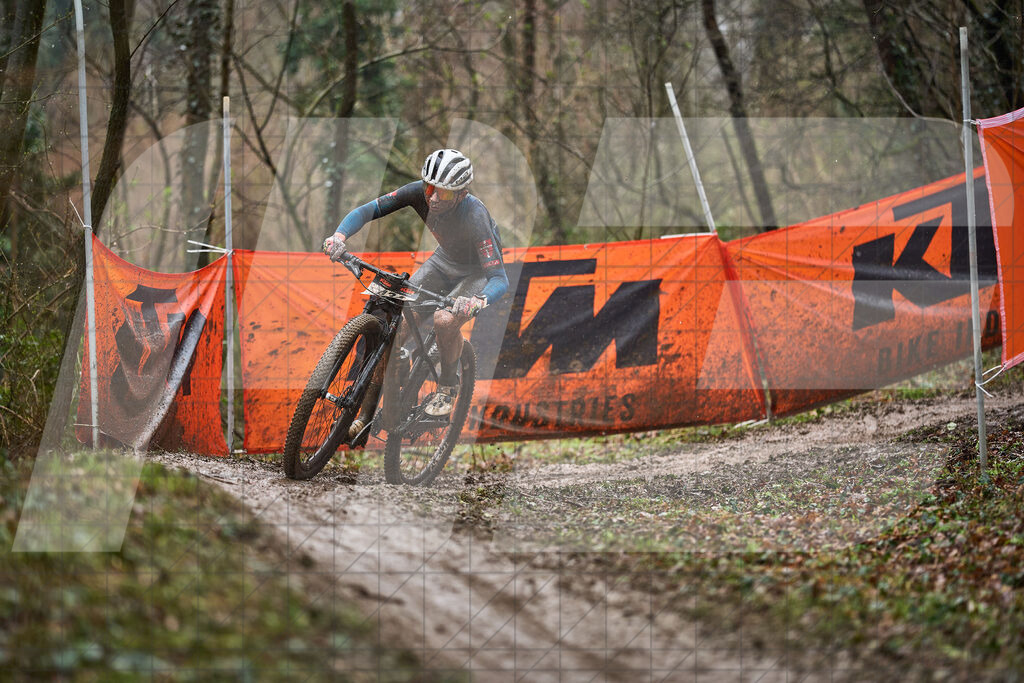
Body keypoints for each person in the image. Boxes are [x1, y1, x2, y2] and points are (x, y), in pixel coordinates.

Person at [322, 148, 508, 427]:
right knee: (397, 325)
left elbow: (499, 278)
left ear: (461, 194)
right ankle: (366, 417)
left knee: (444, 320)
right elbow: (368, 210)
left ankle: (447, 387)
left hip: (476, 272)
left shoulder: (475, 214)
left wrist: (478, 301)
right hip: (443, 261)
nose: (432, 197)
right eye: (429, 187)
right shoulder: (417, 193)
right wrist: (339, 235)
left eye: (443, 193)